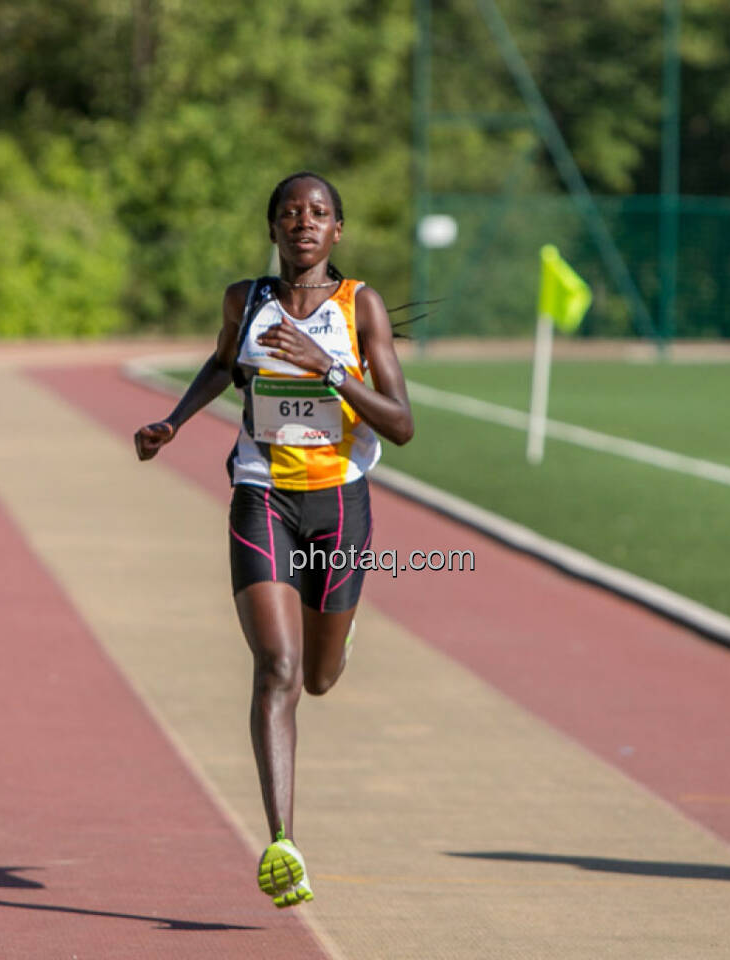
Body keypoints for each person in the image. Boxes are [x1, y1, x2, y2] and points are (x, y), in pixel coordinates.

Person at [133, 172, 414, 909]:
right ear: (272, 229)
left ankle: (337, 640)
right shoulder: (245, 301)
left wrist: (331, 372)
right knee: (276, 670)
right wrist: (175, 421)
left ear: (337, 232)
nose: (304, 223)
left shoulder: (361, 308)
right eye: (290, 213)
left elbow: (402, 424)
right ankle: (283, 843)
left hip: (340, 508)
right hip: (262, 498)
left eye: (319, 213)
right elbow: (225, 364)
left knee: (318, 676)